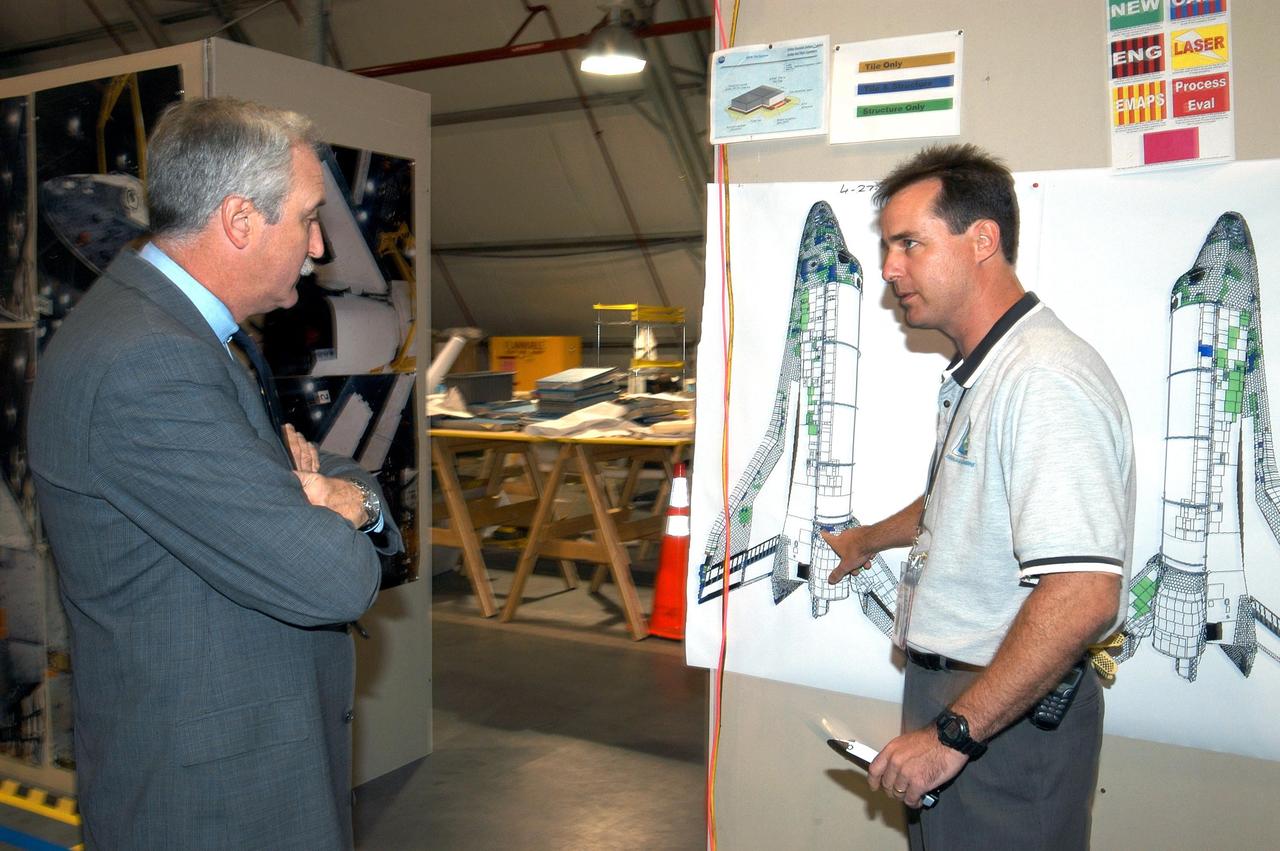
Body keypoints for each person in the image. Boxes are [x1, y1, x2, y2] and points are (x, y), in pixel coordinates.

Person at [28, 98, 402, 849]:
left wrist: (337, 495)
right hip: (213, 801)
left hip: (234, 770)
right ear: (238, 220)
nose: (321, 246)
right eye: (307, 217)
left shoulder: (175, 330)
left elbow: (312, 467)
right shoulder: (149, 360)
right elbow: (331, 578)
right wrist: (350, 511)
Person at [821, 144, 1134, 850]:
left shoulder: (1043, 379)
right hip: (962, 701)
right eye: (886, 247)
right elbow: (956, 502)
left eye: (909, 243)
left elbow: (1084, 591)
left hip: (1002, 720)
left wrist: (954, 732)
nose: (888, 267)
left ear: (981, 239)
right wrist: (867, 538)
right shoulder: (988, 370)